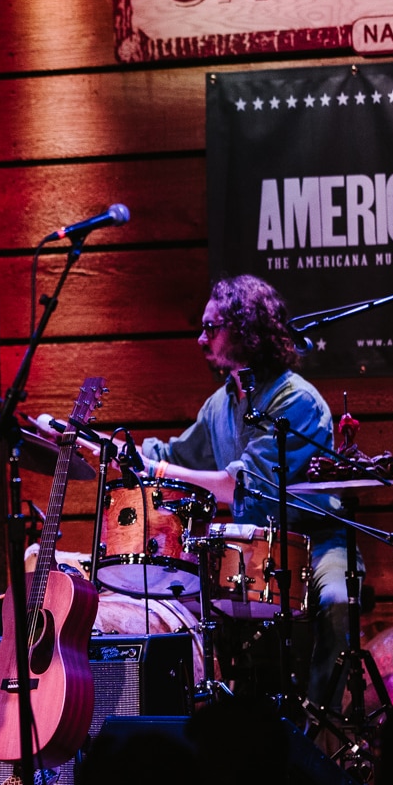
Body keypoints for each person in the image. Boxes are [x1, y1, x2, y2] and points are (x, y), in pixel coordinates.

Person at [138, 273, 353, 703]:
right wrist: (112, 449)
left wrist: (156, 469)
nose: (201, 339)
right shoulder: (220, 403)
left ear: (245, 330)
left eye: (211, 328)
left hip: (314, 542)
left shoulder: (296, 400)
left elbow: (239, 486)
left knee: (336, 603)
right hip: (250, 548)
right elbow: (178, 455)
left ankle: (318, 725)